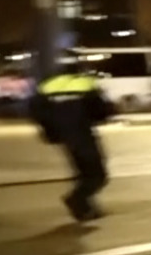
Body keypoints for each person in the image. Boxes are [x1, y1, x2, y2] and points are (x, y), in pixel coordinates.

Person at [30, 50, 115, 222]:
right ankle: (77, 200)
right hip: (83, 132)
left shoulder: (47, 85)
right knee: (98, 175)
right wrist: (102, 118)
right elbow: (100, 108)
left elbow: (35, 110)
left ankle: (85, 209)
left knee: (81, 172)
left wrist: (50, 130)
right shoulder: (85, 83)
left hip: (65, 137)